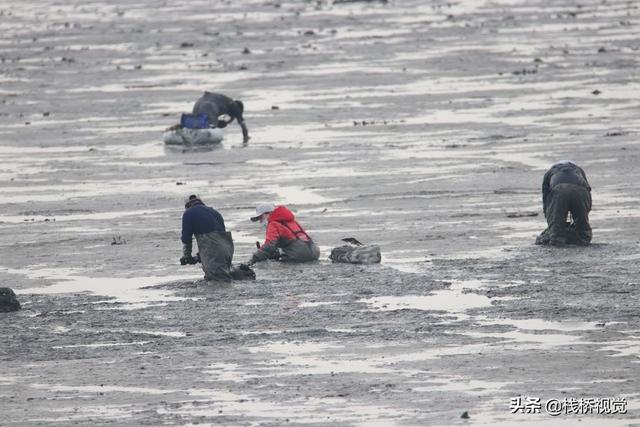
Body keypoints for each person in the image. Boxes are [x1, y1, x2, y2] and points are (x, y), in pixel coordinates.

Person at [536, 160, 592, 246]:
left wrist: (549, 216)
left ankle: (557, 241)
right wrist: (584, 213)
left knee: (556, 227)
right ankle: (584, 239)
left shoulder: (550, 173)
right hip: (581, 190)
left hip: (559, 189)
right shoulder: (579, 171)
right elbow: (588, 192)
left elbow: (546, 198)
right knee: (582, 225)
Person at [181, 195, 234, 281]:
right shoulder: (215, 212)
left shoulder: (188, 213)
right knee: (224, 277)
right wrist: (199, 256)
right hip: (227, 248)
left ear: (187, 206)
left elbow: (186, 238)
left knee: (218, 282)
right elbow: (217, 238)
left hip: (213, 250)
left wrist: (186, 256)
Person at [248, 203, 320, 265]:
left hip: (299, 254)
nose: (260, 221)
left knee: (275, 268)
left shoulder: (273, 224)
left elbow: (269, 246)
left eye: (260, 218)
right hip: (314, 251)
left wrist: (253, 260)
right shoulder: (292, 221)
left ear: (268, 213)